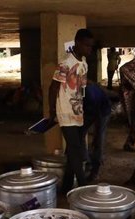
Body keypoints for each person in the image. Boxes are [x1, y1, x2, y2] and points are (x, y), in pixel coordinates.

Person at [48, 28, 95, 192]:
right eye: (87, 46)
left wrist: (85, 103)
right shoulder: (65, 63)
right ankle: (82, 185)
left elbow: (81, 87)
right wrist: (52, 111)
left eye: (91, 46)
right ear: (77, 44)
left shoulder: (84, 63)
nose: (89, 49)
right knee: (76, 148)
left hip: (77, 111)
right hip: (65, 111)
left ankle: (67, 186)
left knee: (72, 150)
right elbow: (53, 87)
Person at [82, 82, 112, 182]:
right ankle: (87, 160)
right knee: (79, 134)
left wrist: (96, 134)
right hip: (89, 110)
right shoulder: (75, 88)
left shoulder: (88, 91)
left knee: (99, 139)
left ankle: (95, 170)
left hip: (102, 111)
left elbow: (98, 113)